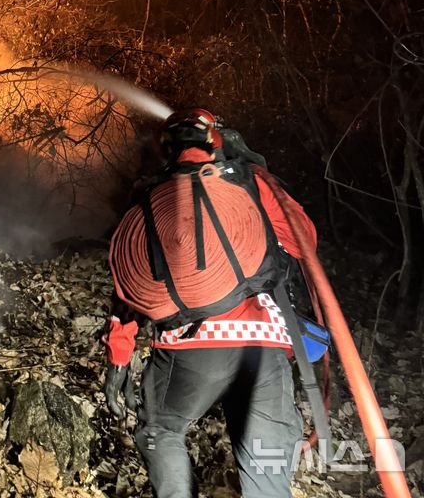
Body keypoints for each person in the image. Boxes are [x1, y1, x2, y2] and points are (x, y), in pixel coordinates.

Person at [103, 108, 318, 498]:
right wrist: (254, 169)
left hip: (187, 351)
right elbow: (304, 239)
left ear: (167, 149)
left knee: (161, 430)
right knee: (267, 479)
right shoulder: (248, 180)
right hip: (262, 346)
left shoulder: (150, 197)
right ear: (217, 139)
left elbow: (130, 286)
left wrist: (118, 358)